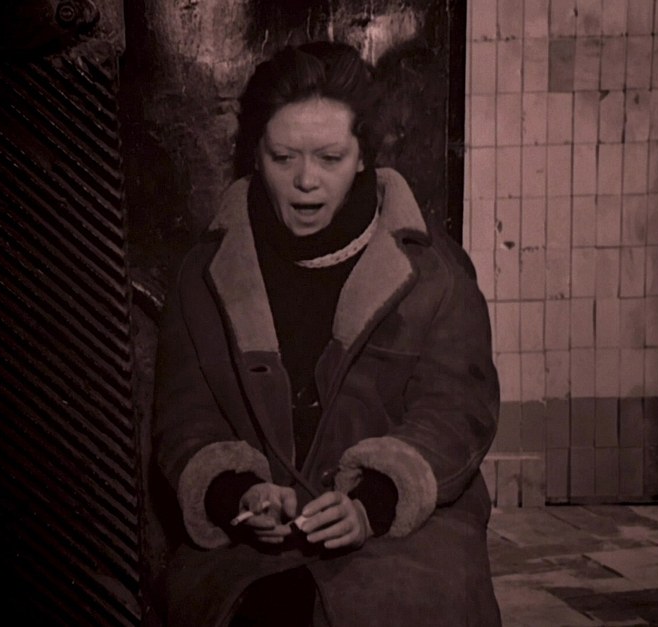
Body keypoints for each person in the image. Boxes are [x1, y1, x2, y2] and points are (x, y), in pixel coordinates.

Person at [153, 41, 502, 627]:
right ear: (256, 154)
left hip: (403, 535)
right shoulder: (206, 275)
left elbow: (454, 412)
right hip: (254, 551)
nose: (305, 181)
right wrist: (237, 493)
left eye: (330, 158)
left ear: (363, 157)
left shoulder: (434, 273)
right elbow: (186, 419)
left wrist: (373, 503)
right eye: (283, 157)